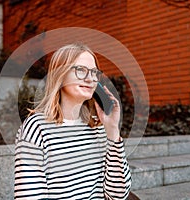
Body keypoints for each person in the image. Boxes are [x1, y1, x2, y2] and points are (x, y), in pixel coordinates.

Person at [14, 43, 132, 199]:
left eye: (94, 72)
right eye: (81, 70)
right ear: (60, 75)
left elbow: (118, 196)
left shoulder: (99, 127)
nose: (91, 79)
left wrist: (113, 131)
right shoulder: (37, 129)